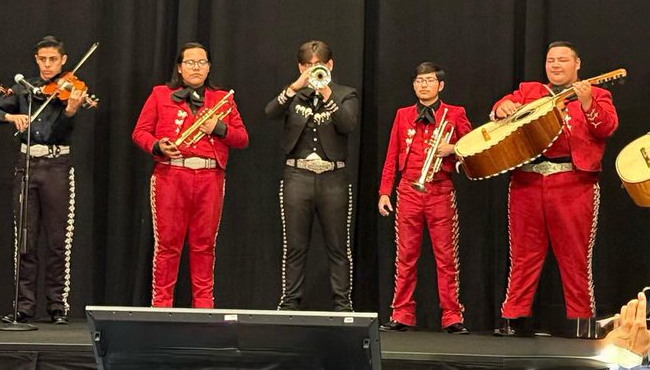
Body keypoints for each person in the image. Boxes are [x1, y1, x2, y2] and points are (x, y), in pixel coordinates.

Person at [491, 41, 618, 338]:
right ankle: (514, 318)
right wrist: (501, 108)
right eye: (551, 61)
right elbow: (497, 111)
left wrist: (587, 103)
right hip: (527, 181)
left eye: (563, 60)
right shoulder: (529, 92)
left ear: (578, 64)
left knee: (575, 255)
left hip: (572, 182)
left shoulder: (598, 93)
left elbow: (607, 128)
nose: (556, 65)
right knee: (523, 254)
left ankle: (581, 321)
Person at [132, 43, 248, 308]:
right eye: (191, 63)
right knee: (168, 246)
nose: (196, 68)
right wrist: (158, 146)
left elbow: (242, 138)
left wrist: (218, 127)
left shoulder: (222, 99)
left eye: (202, 62)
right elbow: (140, 132)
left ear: (209, 67)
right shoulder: (161, 94)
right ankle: (161, 306)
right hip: (172, 174)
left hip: (210, 177)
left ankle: (204, 306)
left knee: (204, 245)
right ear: (180, 68)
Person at [0, 36, 91, 323]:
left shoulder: (71, 88)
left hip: (57, 165)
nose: (47, 65)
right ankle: (24, 306)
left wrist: (70, 111)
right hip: (27, 162)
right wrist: (12, 118)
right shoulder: (23, 88)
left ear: (63, 60)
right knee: (25, 239)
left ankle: (58, 306)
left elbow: (65, 128)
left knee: (58, 241)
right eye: (42, 59)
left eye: (52, 59)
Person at [377, 62, 473, 334]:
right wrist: (385, 191)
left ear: (440, 85)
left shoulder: (455, 113)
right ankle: (401, 314)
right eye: (419, 80)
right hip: (408, 190)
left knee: (446, 257)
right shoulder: (403, 114)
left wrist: (453, 147)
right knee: (405, 257)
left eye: (429, 80)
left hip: (440, 190)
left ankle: (452, 316)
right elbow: (391, 155)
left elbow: (474, 147)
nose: (423, 85)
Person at [266, 40, 359, 312]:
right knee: (294, 245)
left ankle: (343, 305)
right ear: (300, 67)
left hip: (333, 178)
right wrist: (294, 87)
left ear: (329, 65)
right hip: (297, 176)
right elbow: (270, 111)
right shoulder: (294, 95)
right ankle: (289, 304)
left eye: (317, 65)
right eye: (307, 65)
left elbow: (348, 124)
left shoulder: (345, 93)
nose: (312, 70)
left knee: (338, 246)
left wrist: (328, 94)